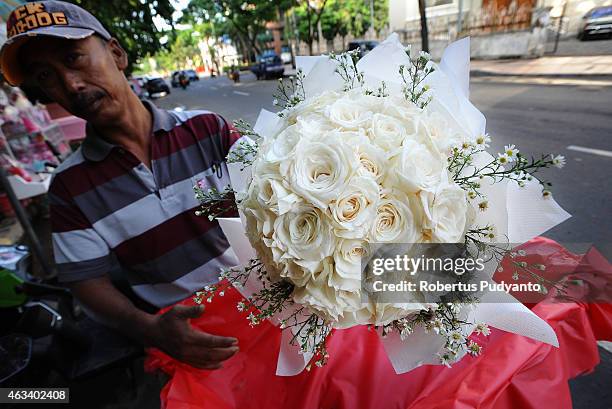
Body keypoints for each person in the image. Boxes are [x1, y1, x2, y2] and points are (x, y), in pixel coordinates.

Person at [0, 1, 241, 370]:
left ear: (116, 53)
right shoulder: (70, 188)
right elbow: (86, 281)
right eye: (45, 76)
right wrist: (150, 329)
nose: (71, 84)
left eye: (73, 57)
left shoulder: (208, 129)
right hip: (192, 338)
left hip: (274, 307)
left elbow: (284, 197)